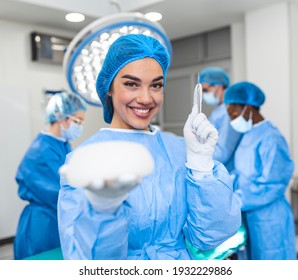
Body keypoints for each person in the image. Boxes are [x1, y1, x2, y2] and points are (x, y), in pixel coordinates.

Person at [57, 34, 242, 260]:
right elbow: (83, 260)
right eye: (131, 84)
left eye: (156, 85)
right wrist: (102, 211)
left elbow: (210, 236)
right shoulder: (85, 161)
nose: (146, 98)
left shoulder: (179, 150)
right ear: (108, 87)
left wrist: (202, 166)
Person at [223, 81, 296, 260]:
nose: (232, 120)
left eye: (234, 114)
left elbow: (272, 184)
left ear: (248, 108)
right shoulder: (248, 134)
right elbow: (241, 173)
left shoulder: (271, 138)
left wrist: (236, 200)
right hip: (249, 214)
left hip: (269, 218)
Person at [14, 91, 87, 260]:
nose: (80, 127)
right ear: (61, 116)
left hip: (59, 220)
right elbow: (62, 191)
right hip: (43, 226)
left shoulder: (62, 144)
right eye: (78, 121)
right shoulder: (42, 150)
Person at [199, 67, 242, 172]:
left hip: (227, 171)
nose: (204, 94)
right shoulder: (219, 111)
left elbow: (223, 152)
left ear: (218, 86)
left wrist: (198, 159)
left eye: (205, 90)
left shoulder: (229, 111)